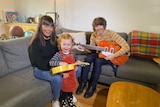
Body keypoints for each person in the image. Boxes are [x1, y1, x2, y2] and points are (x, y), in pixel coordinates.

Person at [76, 17, 130, 98]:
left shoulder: (111, 34)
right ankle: (83, 83)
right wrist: (84, 48)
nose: (99, 28)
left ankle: (92, 87)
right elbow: (92, 49)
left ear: (104, 26)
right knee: (88, 59)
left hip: (112, 56)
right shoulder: (93, 35)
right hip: (100, 53)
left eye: (100, 25)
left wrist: (113, 55)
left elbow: (126, 47)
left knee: (98, 61)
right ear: (94, 27)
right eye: (96, 26)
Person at [28, 15, 62, 107]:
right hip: (40, 69)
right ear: (40, 27)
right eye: (46, 26)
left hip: (54, 66)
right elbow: (40, 64)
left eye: (51, 26)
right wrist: (57, 69)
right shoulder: (35, 43)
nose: (49, 29)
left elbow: (62, 51)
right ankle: (55, 99)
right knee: (57, 78)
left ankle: (67, 93)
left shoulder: (55, 39)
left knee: (76, 69)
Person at [49, 34, 83, 107]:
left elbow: (75, 60)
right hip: (63, 77)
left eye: (68, 45)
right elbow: (51, 62)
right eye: (64, 44)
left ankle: (70, 102)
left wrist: (77, 63)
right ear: (60, 44)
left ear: (71, 45)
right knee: (64, 92)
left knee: (70, 90)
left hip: (71, 76)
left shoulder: (73, 53)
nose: (66, 47)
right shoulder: (58, 55)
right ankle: (63, 103)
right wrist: (60, 63)